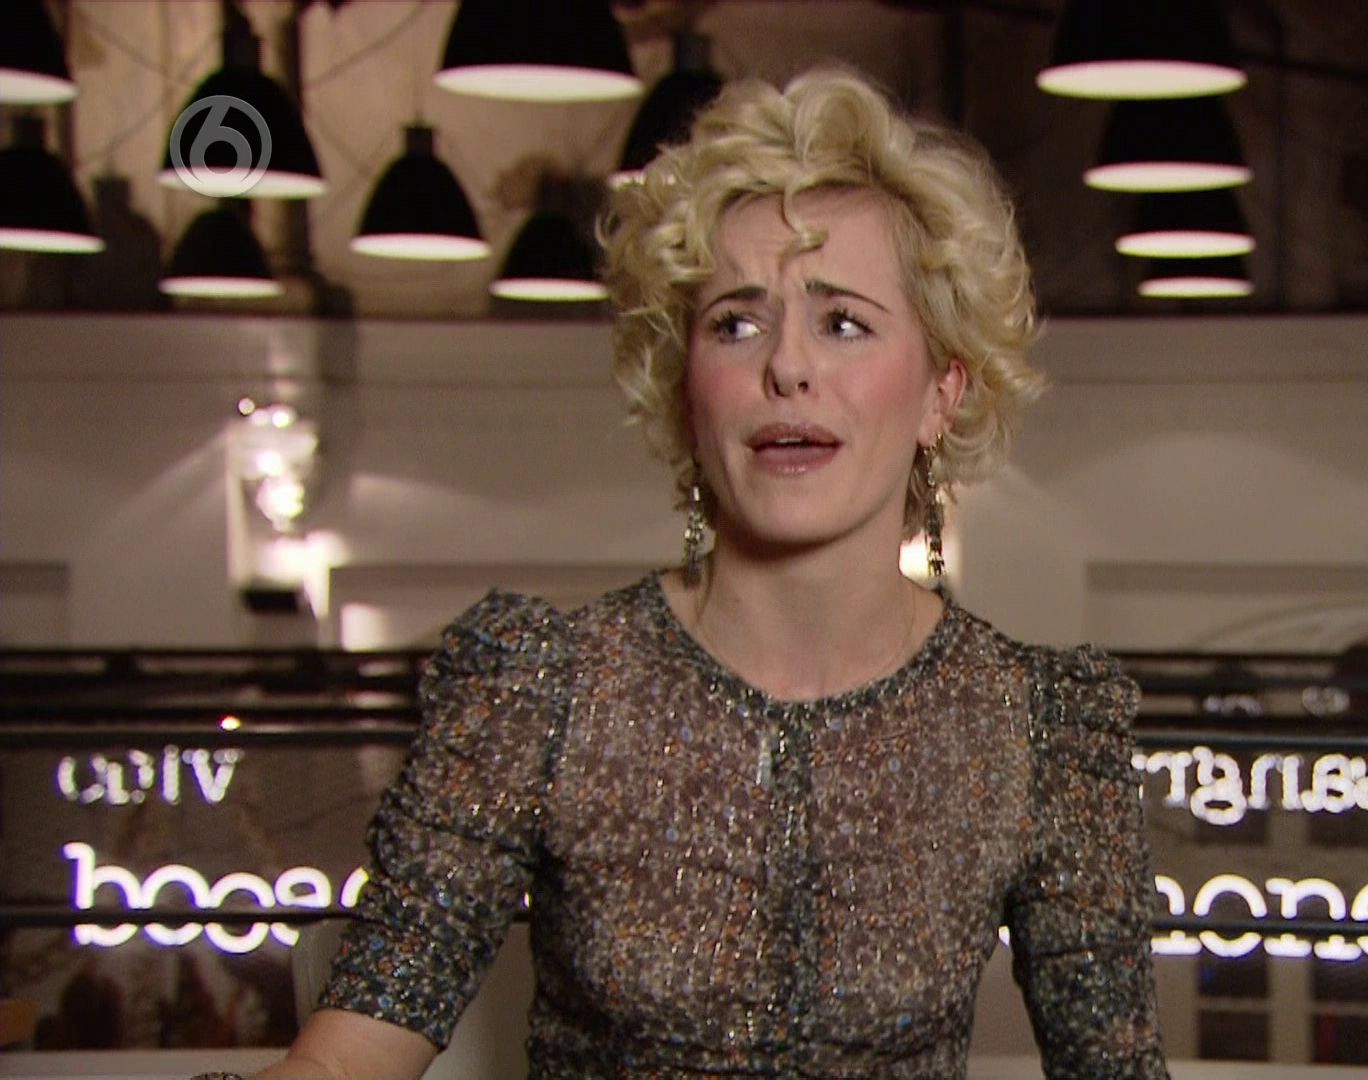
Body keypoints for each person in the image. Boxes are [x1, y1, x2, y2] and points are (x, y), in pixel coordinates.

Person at [212, 67, 1168, 1079]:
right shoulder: (542, 689)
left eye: (843, 322)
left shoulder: (1038, 728)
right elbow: (343, 1062)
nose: (787, 368)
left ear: (942, 392)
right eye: (736, 323)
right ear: (685, 392)